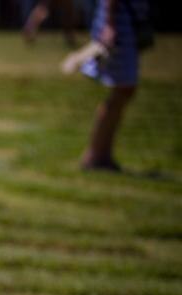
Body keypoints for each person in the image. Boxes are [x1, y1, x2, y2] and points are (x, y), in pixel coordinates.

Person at [79, 0, 148, 171]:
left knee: (124, 90)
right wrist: (110, 23)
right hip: (117, 24)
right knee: (123, 88)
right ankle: (95, 154)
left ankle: (102, 154)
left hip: (122, 23)